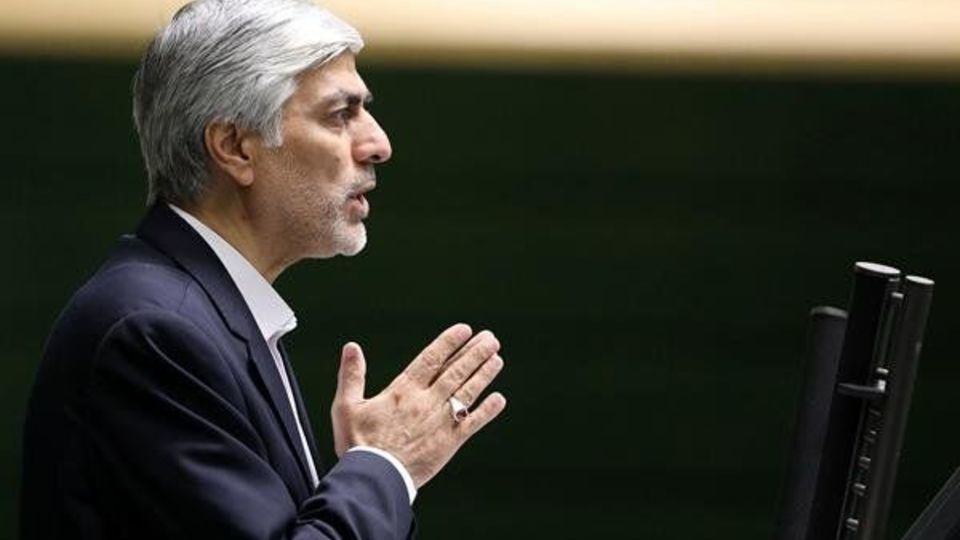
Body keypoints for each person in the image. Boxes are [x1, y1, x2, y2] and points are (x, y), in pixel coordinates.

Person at [18, 1, 506, 538]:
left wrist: (365, 473)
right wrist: (384, 466)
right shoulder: (154, 332)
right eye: (340, 114)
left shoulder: (202, 314)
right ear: (235, 148)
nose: (378, 144)